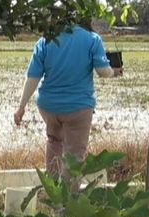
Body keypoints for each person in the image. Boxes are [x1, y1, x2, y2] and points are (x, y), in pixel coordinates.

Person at [13, 21, 124, 177]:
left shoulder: (45, 40)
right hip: (78, 107)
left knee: (54, 142)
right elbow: (102, 71)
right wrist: (113, 72)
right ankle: (69, 192)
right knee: (75, 154)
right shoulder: (92, 39)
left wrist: (21, 107)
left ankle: (52, 187)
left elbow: (33, 76)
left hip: (48, 106)